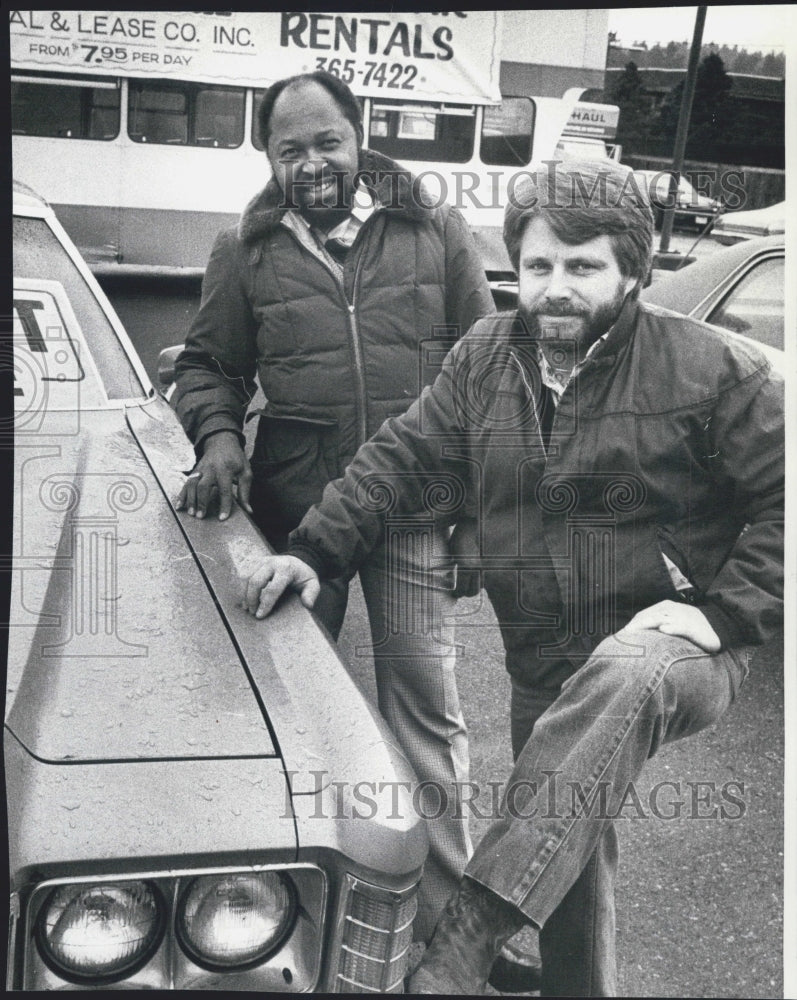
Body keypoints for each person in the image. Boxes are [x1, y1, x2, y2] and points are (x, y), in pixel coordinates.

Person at [239, 158, 784, 995]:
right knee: (567, 829)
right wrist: (314, 551)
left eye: (582, 266)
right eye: (538, 267)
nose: (555, 289)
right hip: (546, 657)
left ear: (633, 272)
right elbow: (402, 456)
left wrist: (721, 611)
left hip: (681, 646)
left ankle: (467, 941)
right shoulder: (485, 355)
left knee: (622, 679)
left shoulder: (713, 371)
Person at [171, 70, 495, 944]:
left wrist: (479, 519)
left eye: (326, 143)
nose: (309, 164)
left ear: (360, 137)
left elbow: (493, 378)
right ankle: (277, 914)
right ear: (268, 156)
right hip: (298, 512)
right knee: (288, 711)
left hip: (418, 506)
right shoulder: (245, 247)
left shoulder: (434, 231)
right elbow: (208, 365)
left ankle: (444, 923)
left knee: (424, 708)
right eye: (289, 150)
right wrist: (218, 438)